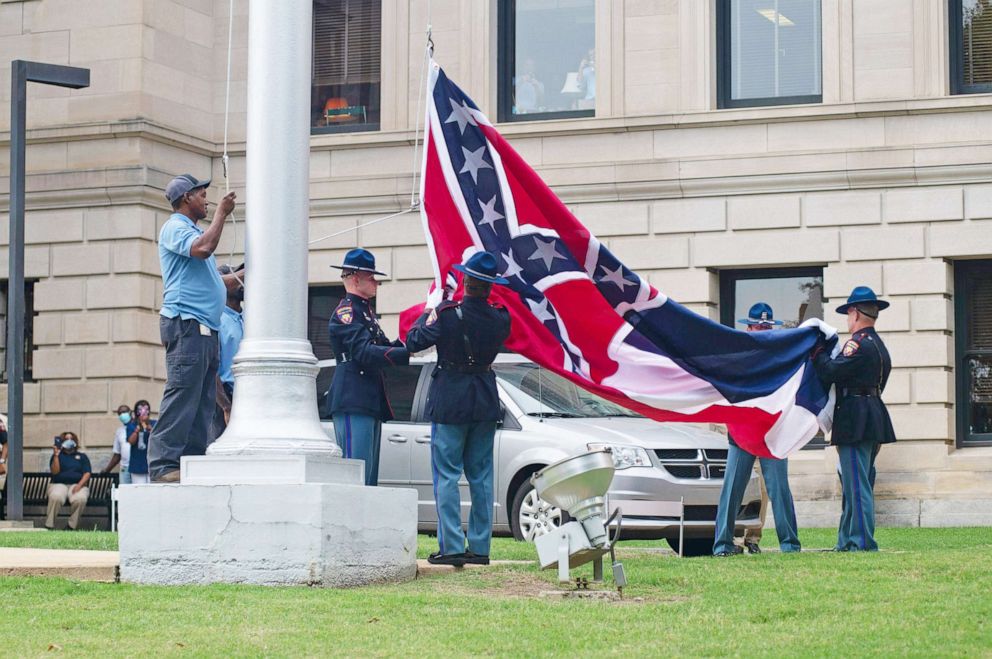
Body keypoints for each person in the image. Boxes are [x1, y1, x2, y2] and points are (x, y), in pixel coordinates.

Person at [405, 251, 512, 567]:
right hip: (483, 399)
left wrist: (430, 309)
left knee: (447, 475)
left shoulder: (447, 314)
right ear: (490, 287)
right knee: (480, 477)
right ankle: (480, 548)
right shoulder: (500, 317)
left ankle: (451, 545)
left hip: (451, 400)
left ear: (465, 281)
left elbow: (413, 340)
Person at [148, 174, 236, 483]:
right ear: (187, 198)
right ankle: (162, 465)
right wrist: (223, 214)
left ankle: (189, 462)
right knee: (183, 393)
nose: (207, 200)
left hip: (203, 328)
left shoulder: (192, 231)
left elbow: (216, 281)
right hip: (187, 324)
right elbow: (203, 249)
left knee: (201, 400)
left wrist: (248, 270)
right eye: (202, 194)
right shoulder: (176, 228)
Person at [713, 303, 801, 556]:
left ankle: (790, 544)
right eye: (758, 326)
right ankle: (722, 544)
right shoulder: (737, 357)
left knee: (779, 489)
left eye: (766, 327)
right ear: (748, 327)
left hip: (772, 432)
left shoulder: (780, 356)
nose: (762, 330)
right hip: (742, 430)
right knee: (732, 489)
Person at [813, 286, 896, 552]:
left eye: (848, 314)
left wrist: (818, 353)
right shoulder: (879, 345)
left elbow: (829, 372)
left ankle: (861, 542)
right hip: (872, 415)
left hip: (854, 419)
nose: (847, 321)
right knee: (855, 484)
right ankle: (847, 540)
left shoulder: (857, 344)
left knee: (857, 486)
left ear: (854, 313)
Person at [327, 248, 410, 486]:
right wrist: (405, 353)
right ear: (355, 279)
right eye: (371, 277)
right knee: (357, 475)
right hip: (353, 397)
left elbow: (384, 346)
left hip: (368, 397)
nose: (376, 282)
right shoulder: (347, 313)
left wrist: (411, 341)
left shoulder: (365, 312)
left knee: (369, 479)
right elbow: (364, 352)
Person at [211, 263, 246, 443]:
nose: (242, 282)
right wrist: (226, 406)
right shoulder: (216, 320)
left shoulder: (252, 317)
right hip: (225, 399)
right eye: (235, 277)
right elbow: (212, 368)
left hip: (250, 396)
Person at [46, 432, 91, 530]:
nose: (69, 440)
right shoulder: (57, 456)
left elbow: (87, 473)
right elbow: (55, 472)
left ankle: (71, 526)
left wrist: (79, 485)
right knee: (56, 497)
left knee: (80, 499)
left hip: (76, 484)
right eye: (66, 439)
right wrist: (56, 455)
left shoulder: (82, 456)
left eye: (71, 438)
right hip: (59, 484)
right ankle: (49, 525)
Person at [101, 405, 132, 484]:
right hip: (125, 468)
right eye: (119, 413)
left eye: (124, 412)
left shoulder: (139, 427)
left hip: (138, 467)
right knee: (125, 493)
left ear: (130, 412)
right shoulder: (120, 431)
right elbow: (117, 454)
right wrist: (107, 469)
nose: (122, 415)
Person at [126, 400, 154, 484]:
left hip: (151, 464)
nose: (143, 413)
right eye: (140, 410)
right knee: (139, 489)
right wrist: (137, 430)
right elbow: (131, 442)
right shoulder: (132, 425)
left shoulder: (154, 423)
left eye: (146, 410)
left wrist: (151, 430)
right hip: (137, 465)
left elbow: (159, 440)